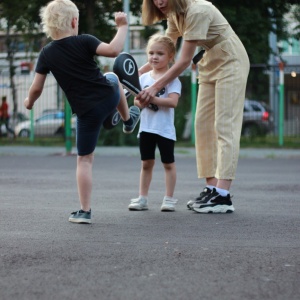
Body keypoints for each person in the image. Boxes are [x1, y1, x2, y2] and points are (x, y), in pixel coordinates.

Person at [24, 0, 140, 224]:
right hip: (108, 97)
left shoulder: (46, 54)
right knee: (114, 79)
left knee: (84, 160)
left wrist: (29, 102)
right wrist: (123, 26)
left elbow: (37, 88)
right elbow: (114, 50)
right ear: (74, 21)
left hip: (87, 113)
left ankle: (84, 211)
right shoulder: (84, 40)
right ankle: (127, 119)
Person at [137, 0, 250, 213]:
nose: (159, 2)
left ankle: (223, 195)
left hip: (231, 61)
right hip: (209, 62)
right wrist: (136, 74)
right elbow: (165, 47)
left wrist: (154, 87)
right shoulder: (173, 14)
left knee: (225, 125)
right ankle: (212, 187)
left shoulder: (198, 10)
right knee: (202, 125)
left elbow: (182, 61)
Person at [128, 34, 181, 212]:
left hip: (164, 130)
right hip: (146, 129)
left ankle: (169, 199)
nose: (154, 57)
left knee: (168, 164)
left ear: (170, 57)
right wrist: (140, 101)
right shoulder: (143, 79)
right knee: (146, 163)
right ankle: (142, 198)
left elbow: (173, 102)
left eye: (160, 53)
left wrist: (152, 98)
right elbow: (136, 101)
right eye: (151, 53)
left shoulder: (172, 79)